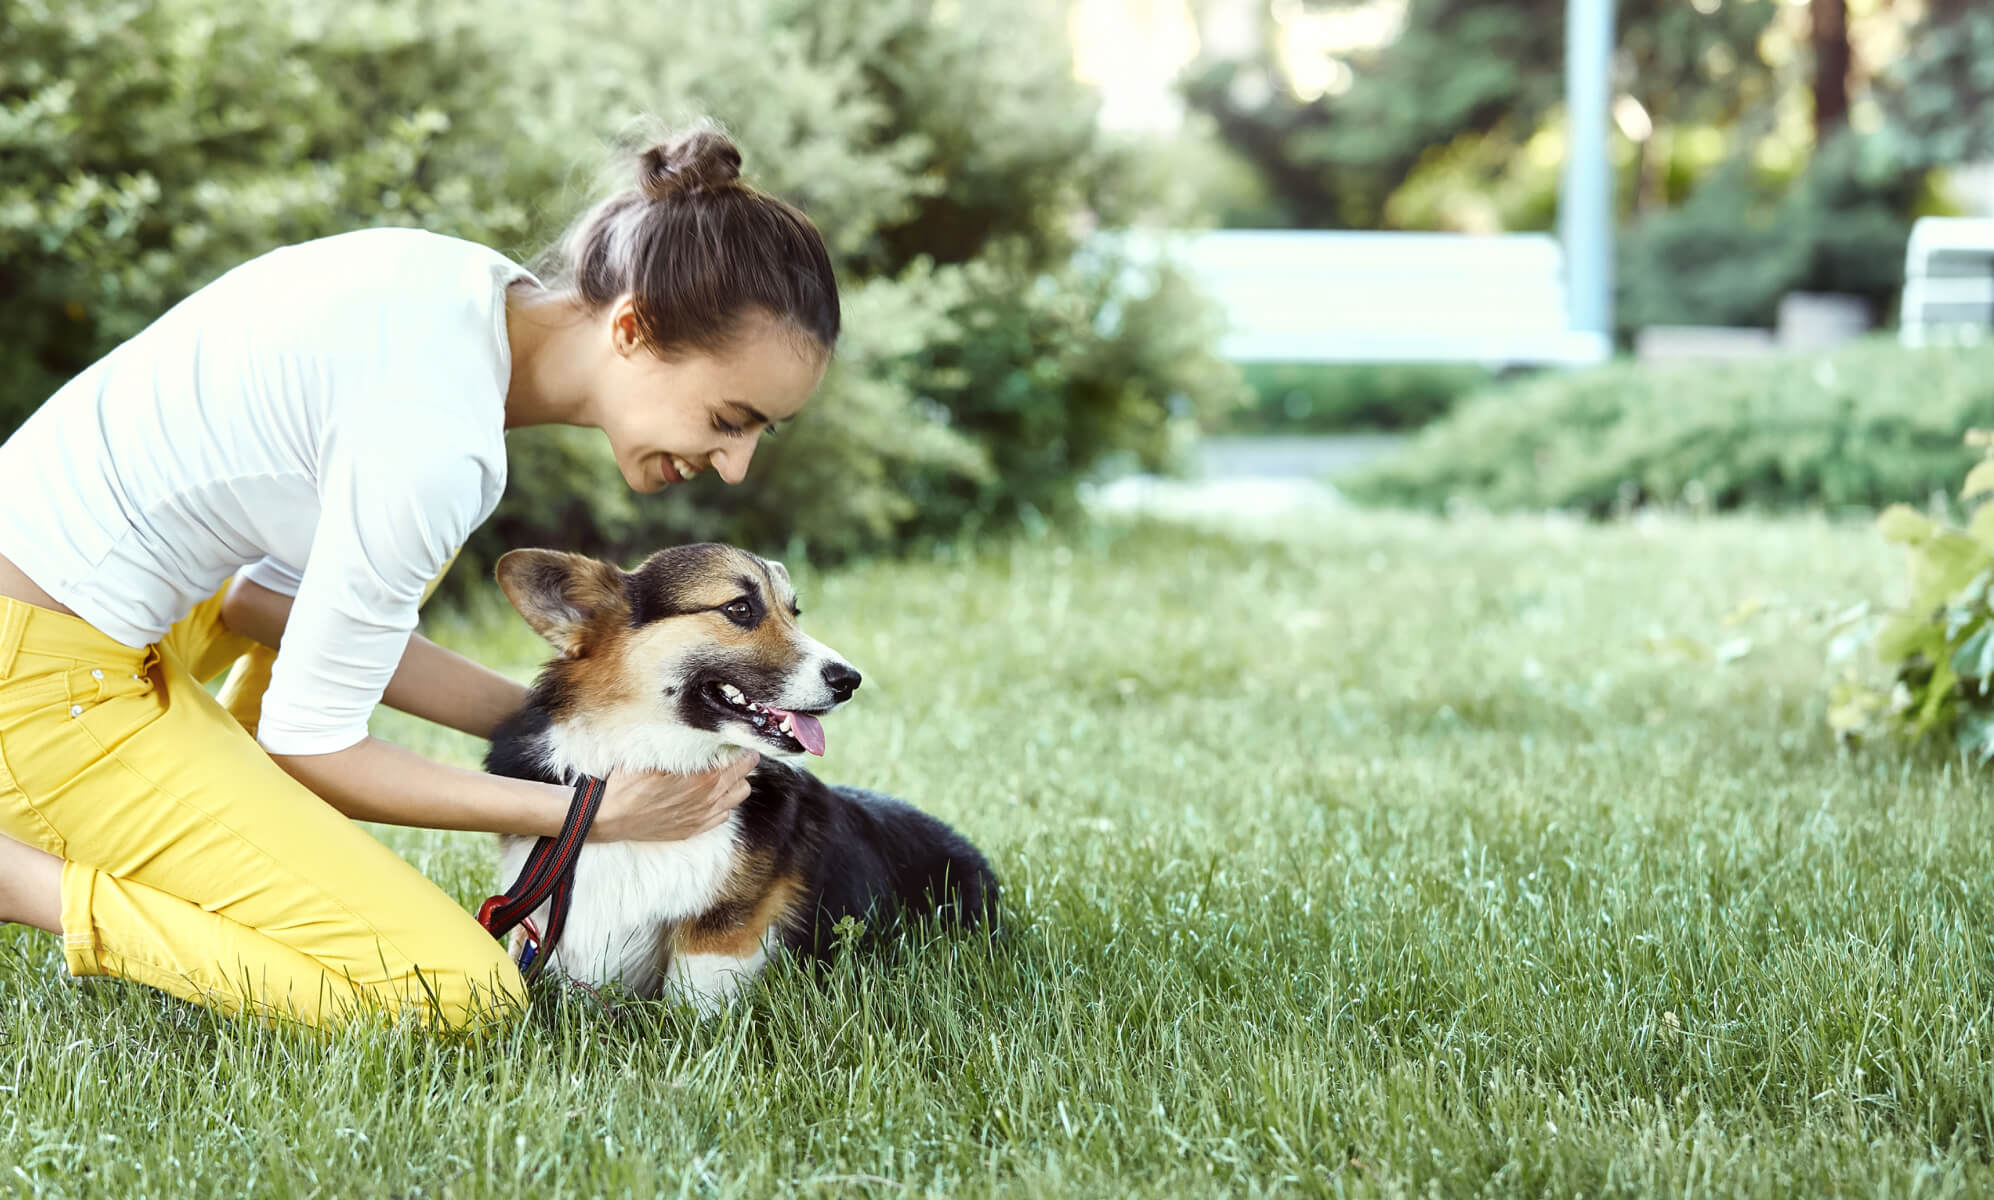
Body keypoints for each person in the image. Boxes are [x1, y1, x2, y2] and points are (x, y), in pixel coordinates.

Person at [0, 122, 839, 1029]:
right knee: (455, 994)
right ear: (632, 328)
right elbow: (311, 745)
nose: (735, 464)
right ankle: (24, 880)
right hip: (42, 681)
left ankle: (199, 820)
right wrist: (590, 807)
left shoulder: (452, 288)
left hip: (141, 610)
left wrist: (599, 718)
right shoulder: (437, 446)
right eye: (729, 417)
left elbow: (264, 602)